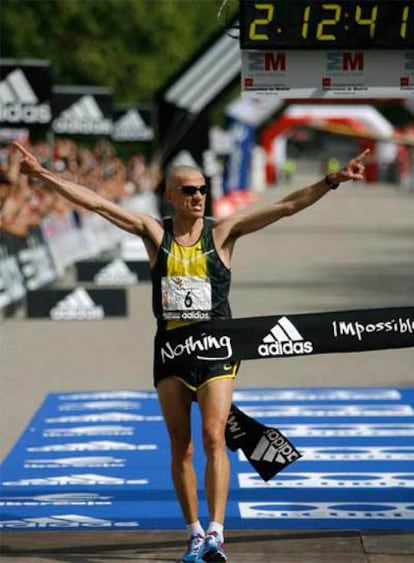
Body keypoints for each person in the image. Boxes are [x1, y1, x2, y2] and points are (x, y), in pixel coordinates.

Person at [12, 140, 368, 563]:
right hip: (172, 351)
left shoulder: (223, 232)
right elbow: (98, 204)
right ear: (170, 196)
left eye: (202, 190)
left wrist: (332, 181)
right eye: (188, 191)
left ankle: (217, 532)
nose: (198, 197)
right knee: (180, 445)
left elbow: (287, 206)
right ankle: (194, 532)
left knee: (214, 435)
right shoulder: (154, 233)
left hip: (217, 347)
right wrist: (45, 175)